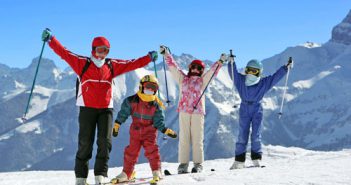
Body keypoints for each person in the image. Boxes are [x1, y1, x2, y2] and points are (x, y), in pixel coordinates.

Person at [41, 29, 158, 185]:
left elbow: (132, 64)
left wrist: (148, 58)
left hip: (106, 109)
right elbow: (64, 53)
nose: (103, 53)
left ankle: (100, 176)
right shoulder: (82, 63)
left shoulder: (111, 65)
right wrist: (51, 40)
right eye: (100, 50)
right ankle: (81, 178)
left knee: (105, 142)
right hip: (87, 109)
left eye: (106, 50)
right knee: (85, 142)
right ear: (93, 49)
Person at [159, 45, 226, 173]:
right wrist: (166, 54)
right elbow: (174, 68)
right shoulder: (183, 79)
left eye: (199, 68)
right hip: (184, 112)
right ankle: (183, 165)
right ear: (190, 68)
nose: (195, 69)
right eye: (193, 67)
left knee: (197, 139)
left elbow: (212, 72)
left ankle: (198, 164)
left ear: (201, 70)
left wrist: (220, 62)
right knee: (184, 138)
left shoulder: (203, 81)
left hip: (197, 113)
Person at [228, 56, 293, 169]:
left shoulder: (263, 83)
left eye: (254, 71)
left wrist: (285, 68)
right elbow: (233, 74)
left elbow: (275, 78)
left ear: (259, 73)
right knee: (242, 134)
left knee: (256, 134)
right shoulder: (241, 81)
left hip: (257, 108)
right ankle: (239, 160)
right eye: (248, 70)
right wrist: (231, 63)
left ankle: (256, 158)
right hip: (244, 107)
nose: (251, 74)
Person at [110, 75, 177, 184]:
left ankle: (156, 171)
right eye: (148, 86)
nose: (150, 90)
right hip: (135, 131)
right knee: (131, 152)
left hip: (149, 132)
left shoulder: (156, 105)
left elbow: (158, 121)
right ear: (141, 86)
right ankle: (127, 173)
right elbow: (123, 113)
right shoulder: (132, 101)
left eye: (153, 88)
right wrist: (117, 124)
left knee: (152, 150)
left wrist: (165, 130)